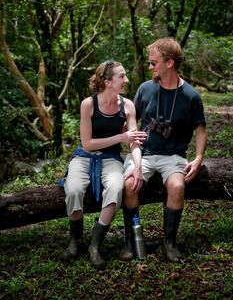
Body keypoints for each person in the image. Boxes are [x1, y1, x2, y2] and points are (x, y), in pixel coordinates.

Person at [120, 37, 207, 262]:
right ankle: (131, 241)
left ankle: (170, 243)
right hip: (145, 154)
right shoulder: (146, 88)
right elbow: (130, 121)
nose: (150, 67)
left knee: (177, 187)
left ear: (169, 63)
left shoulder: (191, 96)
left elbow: (200, 131)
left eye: (153, 63)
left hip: (173, 156)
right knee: (129, 185)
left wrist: (197, 159)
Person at [62, 60, 147, 270]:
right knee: (73, 189)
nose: (126, 80)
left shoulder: (127, 106)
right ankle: (75, 241)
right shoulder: (88, 104)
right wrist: (121, 136)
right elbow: (88, 143)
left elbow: (134, 141)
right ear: (108, 81)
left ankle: (94, 245)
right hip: (84, 156)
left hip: (111, 158)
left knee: (116, 188)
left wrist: (138, 166)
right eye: (122, 76)